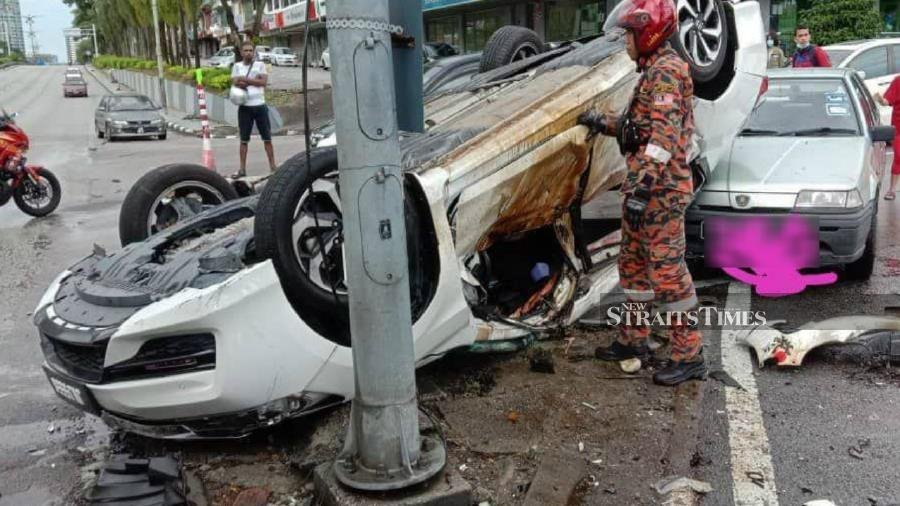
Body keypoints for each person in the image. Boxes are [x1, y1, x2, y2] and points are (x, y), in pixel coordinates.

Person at [576, 0, 705, 386]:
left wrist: (643, 187)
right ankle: (634, 340)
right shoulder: (651, 72)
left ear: (648, 33)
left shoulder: (666, 73)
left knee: (667, 276)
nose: (626, 42)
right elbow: (640, 128)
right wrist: (604, 122)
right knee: (633, 270)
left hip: (660, 193)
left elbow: (663, 139)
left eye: (629, 34)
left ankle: (690, 353)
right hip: (643, 189)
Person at [231, 41, 276, 177]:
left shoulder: (260, 65)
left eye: (251, 50)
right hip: (245, 108)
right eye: (246, 50)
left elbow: (263, 82)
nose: (248, 53)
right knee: (244, 140)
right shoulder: (237, 66)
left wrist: (245, 80)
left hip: (260, 106)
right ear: (241, 52)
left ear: (254, 52)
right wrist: (253, 80)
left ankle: (273, 167)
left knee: (267, 138)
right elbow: (235, 83)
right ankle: (242, 169)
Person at [875, 82, 900, 200]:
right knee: (899, 157)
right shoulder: (898, 81)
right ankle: (892, 189)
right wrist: (879, 99)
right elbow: (886, 101)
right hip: (898, 130)